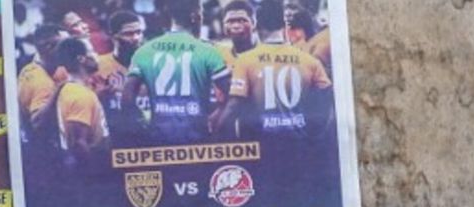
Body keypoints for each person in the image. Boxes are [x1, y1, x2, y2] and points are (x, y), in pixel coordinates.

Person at [125, 0, 228, 144]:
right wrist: (216, 118)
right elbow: (233, 96)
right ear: (195, 15)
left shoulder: (143, 51)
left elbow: (127, 98)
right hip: (198, 140)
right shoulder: (208, 51)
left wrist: (142, 122)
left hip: (158, 139)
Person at [223, 0, 331, 136]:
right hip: (300, 145)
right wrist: (313, 135)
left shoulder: (244, 60)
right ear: (284, 27)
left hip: (263, 145)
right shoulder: (310, 61)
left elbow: (233, 107)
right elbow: (326, 100)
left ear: (256, 26)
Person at [92, 10, 145, 121]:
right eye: (128, 33)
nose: (136, 38)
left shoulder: (150, 65)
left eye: (139, 32)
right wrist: (101, 93)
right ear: (113, 36)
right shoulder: (98, 66)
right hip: (113, 131)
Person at [17, 24, 70, 131]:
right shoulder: (41, 83)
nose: (68, 50)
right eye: (64, 45)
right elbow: (36, 123)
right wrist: (58, 90)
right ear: (49, 47)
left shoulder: (29, 67)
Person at [287, 0, 333, 75]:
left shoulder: (325, 40)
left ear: (310, 10)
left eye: (293, 8)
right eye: (285, 8)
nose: (287, 13)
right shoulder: (295, 39)